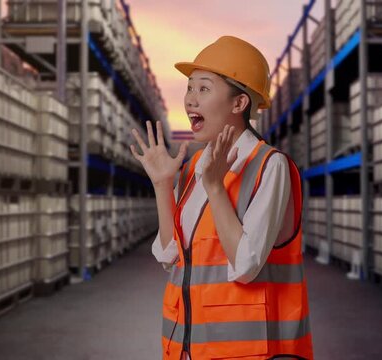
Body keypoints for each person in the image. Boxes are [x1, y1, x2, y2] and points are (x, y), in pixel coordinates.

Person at [130, 35, 313, 360]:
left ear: (239, 103)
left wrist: (215, 187)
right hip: (188, 348)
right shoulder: (193, 167)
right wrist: (162, 185)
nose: (190, 100)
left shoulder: (269, 166)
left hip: (249, 352)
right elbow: (170, 255)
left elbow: (245, 265)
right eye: (189, 88)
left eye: (203, 88)